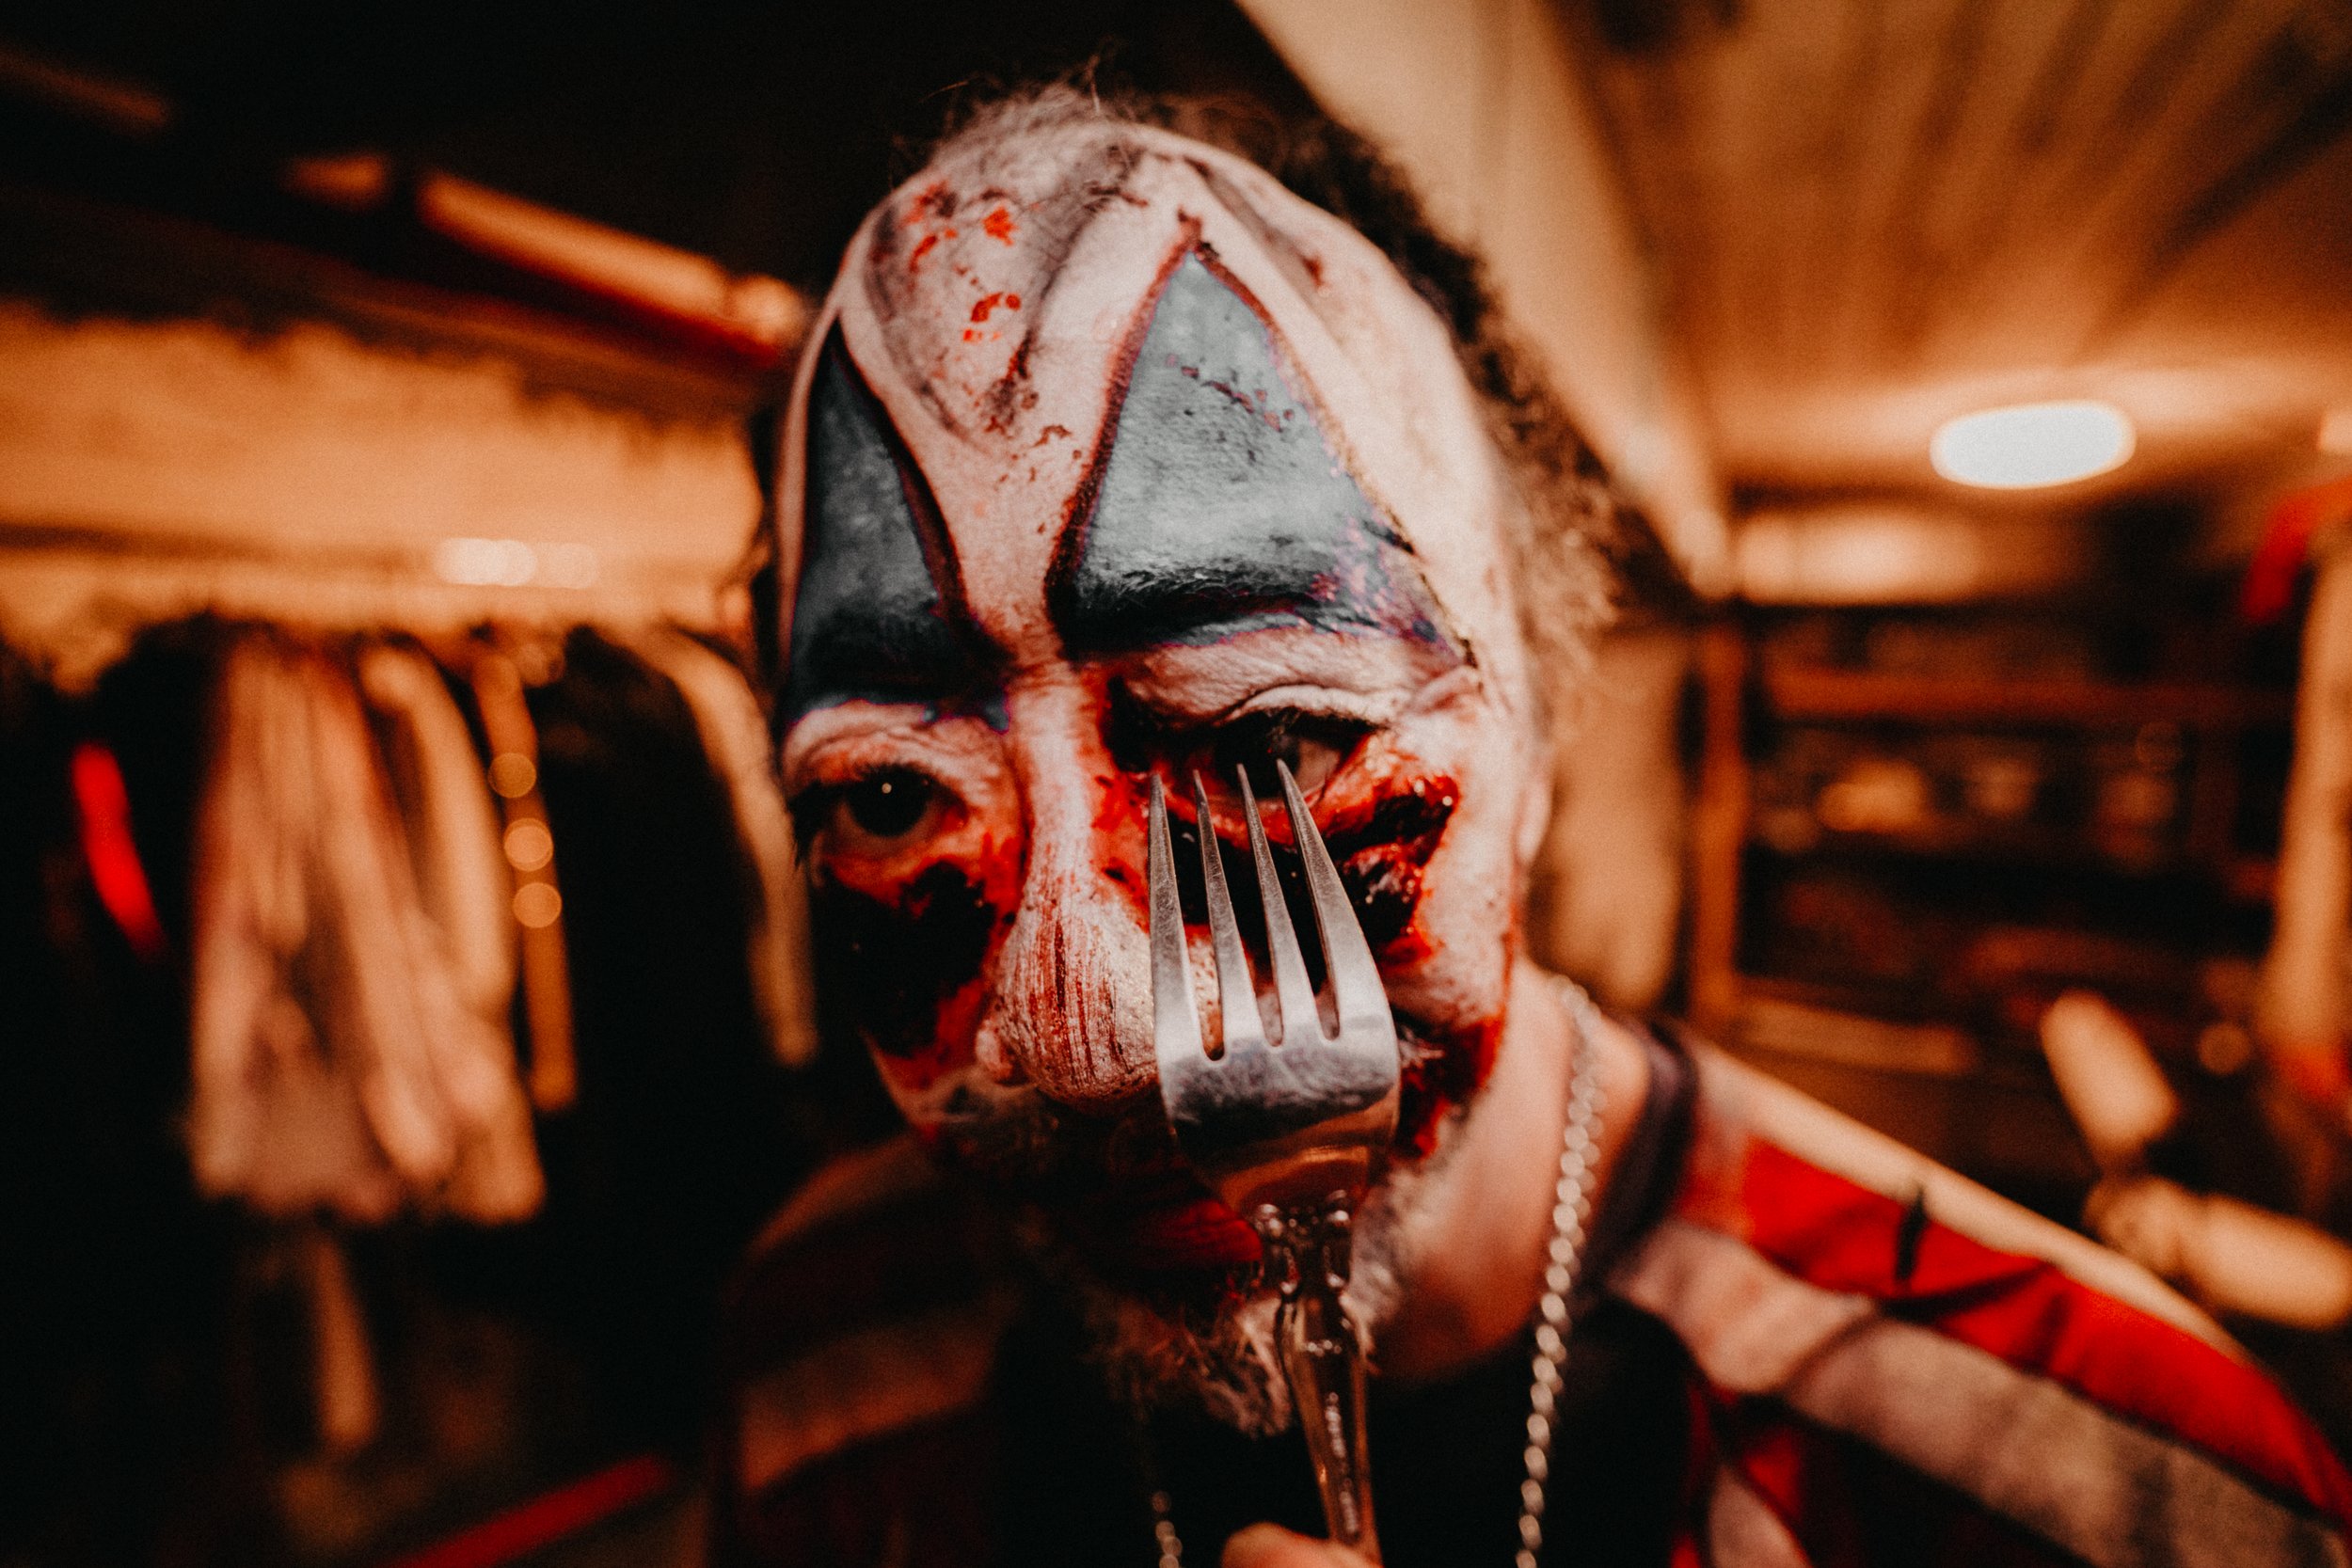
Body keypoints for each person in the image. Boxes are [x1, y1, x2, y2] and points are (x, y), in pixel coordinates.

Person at [714, 89, 2352, 1568]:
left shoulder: (2111, 1495)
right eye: (886, 794)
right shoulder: (812, 1366)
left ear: (1545, 731)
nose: (1076, 1041)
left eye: (1274, 734)